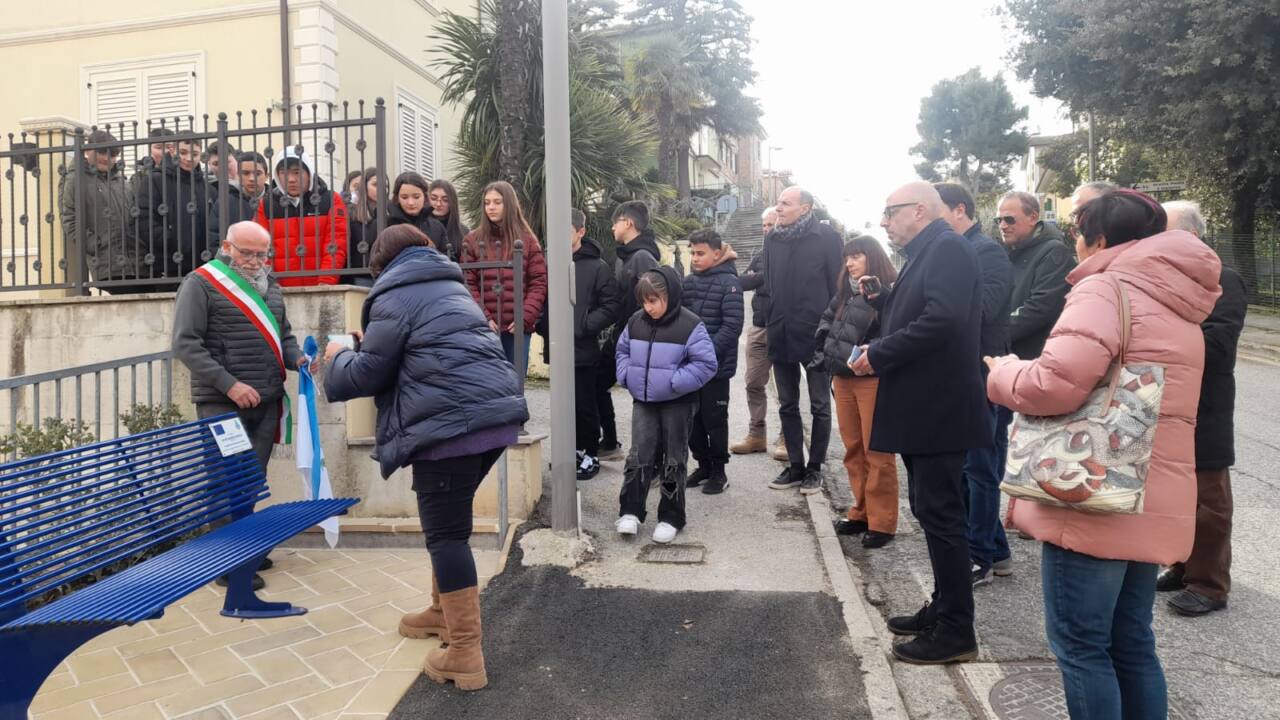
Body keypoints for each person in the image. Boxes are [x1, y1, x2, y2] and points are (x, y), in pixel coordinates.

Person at [987, 191, 1221, 716]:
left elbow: (1053, 383)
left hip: (1090, 491)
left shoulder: (1105, 287)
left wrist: (1002, 372)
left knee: (1081, 646)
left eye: (1077, 233)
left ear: (1095, 239)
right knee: (1131, 641)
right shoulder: (1176, 295)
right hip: (1145, 492)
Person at [324, 224, 529, 692]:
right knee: (449, 525)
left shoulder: (393, 296)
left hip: (448, 429)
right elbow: (421, 350)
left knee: (447, 536)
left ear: (382, 265)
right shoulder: (449, 286)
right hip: (493, 419)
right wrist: (366, 343)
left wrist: (337, 355)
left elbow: (367, 375)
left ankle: (464, 653)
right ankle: (441, 612)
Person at [852, 182, 987, 664]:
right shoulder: (928, 250)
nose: (885, 222)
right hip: (925, 405)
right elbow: (919, 310)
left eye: (890, 213)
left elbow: (944, 319)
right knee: (931, 512)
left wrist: (878, 353)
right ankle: (946, 607)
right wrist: (884, 300)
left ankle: (956, 631)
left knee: (942, 515)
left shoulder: (947, 247)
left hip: (938, 407)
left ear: (920, 210)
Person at [172, 221, 307, 590]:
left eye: (262, 254)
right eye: (247, 253)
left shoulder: (271, 286)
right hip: (222, 403)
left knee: (251, 479)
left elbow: (285, 336)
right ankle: (226, 563)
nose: (254, 261)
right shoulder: (200, 283)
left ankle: (244, 548)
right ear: (227, 247)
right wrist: (230, 385)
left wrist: (299, 360)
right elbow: (186, 344)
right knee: (225, 480)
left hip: (266, 398)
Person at [1157, 200, 1247, 617]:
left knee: (1209, 498)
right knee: (1177, 494)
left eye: (1166, 233)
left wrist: (1165, 338)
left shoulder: (1223, 280)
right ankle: (1182, 564)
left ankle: (1209, 584)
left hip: (1206, 405)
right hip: (1172, 402)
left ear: (1190, 237)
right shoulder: (1168, 279)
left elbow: (1218, 348)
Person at [936, 183, 1016, 586]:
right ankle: (996, 551)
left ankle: (980, 555)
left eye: (937, 211)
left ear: (959, 210)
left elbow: (981, 310)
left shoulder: (986, 252)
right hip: (963, 373)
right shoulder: (955, 250)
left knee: (980, 468)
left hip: (982, 373)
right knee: (971, 466)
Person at [614, 267, 718, 544]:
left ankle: (671, 516)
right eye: (644, 302)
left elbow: (706, 364)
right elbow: (622, 350)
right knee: (639, 456)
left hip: (678, 404)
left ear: (669, 295)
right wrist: (626, 375)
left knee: (674, 460)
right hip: (644, 401)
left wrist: (675, 382)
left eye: (654, 300)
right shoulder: (635, 321)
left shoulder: (690, 324)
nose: (648, 308)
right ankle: (630, 511)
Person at [818, 235, 899, 548]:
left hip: (873, 378)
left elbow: (895, 331)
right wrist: (823, 354)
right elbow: (827, 323)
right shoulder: (844, 292)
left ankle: (883, 522)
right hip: (843, 377)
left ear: (873, 258)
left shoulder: (887, 290)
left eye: (857, 256)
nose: (850, 263)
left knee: (877, 450)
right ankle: (861, 511)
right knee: (853, 448)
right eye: (847, 258)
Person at [762, 186, 842, 494]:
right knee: (787, 404)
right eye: (778, 203)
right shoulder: (772, 239)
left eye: (785, 203)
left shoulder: (826, 238)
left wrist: (830, 328)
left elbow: (837, 288)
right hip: (780, 332)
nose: (778, 208)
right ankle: (795, 465)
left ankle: (815, 468)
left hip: (815, 334)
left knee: (820, 405)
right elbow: (768, 283)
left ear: (805, 208)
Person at [460, 180, 548, 371]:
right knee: (487, 386)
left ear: (509, 203)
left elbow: (539, 282)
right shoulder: (472, 240)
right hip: (484, 327)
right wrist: (483, 317)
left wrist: (524, 317)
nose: (491, 207)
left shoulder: (527, 240)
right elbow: (468, 282)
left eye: (497, 202)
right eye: (487, 202)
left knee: (515, 386)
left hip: (517, 327)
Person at [597, 200, 661, 460]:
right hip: (621, 335)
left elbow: (654, 301)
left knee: (644, 398)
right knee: (597, 382)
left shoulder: (643, 257)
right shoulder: (626, 256)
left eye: (615, 222)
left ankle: (652, 460)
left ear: (628, 223)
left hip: (639, 338)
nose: (612, 227)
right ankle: (610, 443)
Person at [681, 229, 743, 495]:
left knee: (714, 419)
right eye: (692, 252)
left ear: (717, 254)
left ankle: (719, 471)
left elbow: (732, 326)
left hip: (716, 368)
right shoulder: (688, 282)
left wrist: (705, 354)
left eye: (700, 253)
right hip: (689, 366)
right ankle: (703, 465)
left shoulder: (729, 283)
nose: (695, 258)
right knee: (692, 419)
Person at [567, 209, 620, 480]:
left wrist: (584, 326)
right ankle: (573, 451)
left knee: (585, 404)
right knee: (564, 404)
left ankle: (590, 453)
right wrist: (545, 325)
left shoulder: (597, 266)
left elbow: (611, 305)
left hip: (584, 349)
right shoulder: (550, 260)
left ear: (580, 232)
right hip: (558, 347)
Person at [58, 128, 142, 289]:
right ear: (88, 150)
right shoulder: (74, 179)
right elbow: (69, 218)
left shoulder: (122, 181)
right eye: (102, 152)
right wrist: (94, 244)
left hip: (137, 263)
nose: (107, 158)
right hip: (106, 264)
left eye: (112, 155)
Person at [997, 191, 1075, 360]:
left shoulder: (1054, 252)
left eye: (1009, 219)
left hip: (1034, 359)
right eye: (999, 220)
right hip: (1009, 357)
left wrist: (993, 334)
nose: (1002, 225)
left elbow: (1039, 309)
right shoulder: (1007, 251)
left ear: (1032, 218)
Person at [254, 147, 348, 286]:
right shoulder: (267, 205)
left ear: (309, 173)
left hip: (322, 286)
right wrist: (271, 285)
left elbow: (336, 244)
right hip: (278, 290)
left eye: (297, 173)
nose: (291, 179)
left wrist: (326, 282)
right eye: (284, 173)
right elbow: (261, 248)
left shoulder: (330, 200)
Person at [733, 208, 777, 456]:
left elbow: (767, 281)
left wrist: (759, 278)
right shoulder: (760, 255)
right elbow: (743, 281)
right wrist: (760, 277)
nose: (766, 229)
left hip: (783, 329)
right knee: (752, 383)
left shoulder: (793, 256)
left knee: (785, 387)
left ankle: (785, 439)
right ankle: (757, 435)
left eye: (771, 224)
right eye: (764, 225)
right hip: (759, 327)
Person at [137, 137, 209, 282]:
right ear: (172, 151)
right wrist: (174, 240)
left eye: (194, 154)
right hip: (167, 265)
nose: (188, 158)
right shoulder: (154, 180)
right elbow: (144, 220)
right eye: (183, 152)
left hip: (203, 265)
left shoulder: (207, 186)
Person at [387, 171, 446, 247]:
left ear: (425, 196)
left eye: (416, 197)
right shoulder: (385, 224)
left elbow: (447, 257)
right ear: (397, 198)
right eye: (404, 197)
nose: (410, 203)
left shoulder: (437, 227)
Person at [346, 167, 383, 286]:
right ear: (364, 186)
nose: (382, 189)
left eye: (385, 186)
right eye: (375, 184)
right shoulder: (351, 212)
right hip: (360, 275)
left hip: (382, 274)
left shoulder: (386, 212)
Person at [429, 179, 470, 262]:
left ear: (452, 203)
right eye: (434, 198)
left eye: (445, 200)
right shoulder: (419, 226)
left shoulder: (463, 231)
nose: (438, 204)